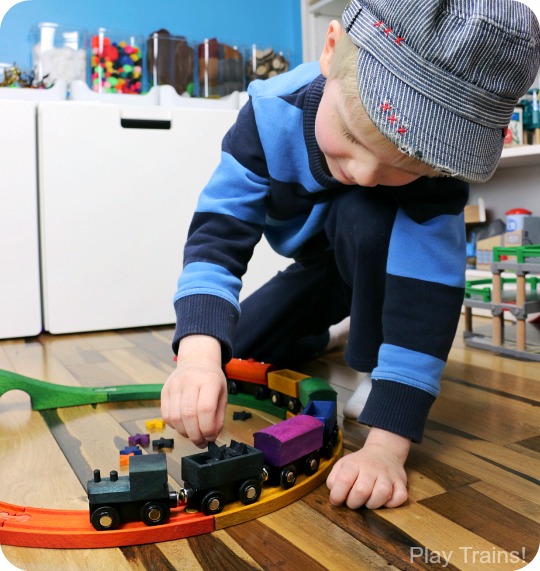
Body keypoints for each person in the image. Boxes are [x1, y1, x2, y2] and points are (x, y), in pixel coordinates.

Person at [162, 0, 540, 510]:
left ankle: (369, 357)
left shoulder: (437, 177)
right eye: (352, 138)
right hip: (321, 268)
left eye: (396, 167)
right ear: (330, 47)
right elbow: (218, 235)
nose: (363, 173)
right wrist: (198, 357)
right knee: (240, 349)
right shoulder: (270, 113)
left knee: (365, 209)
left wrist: (385, 447)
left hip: (383, 261)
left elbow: (427, 299)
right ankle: (328, 332)